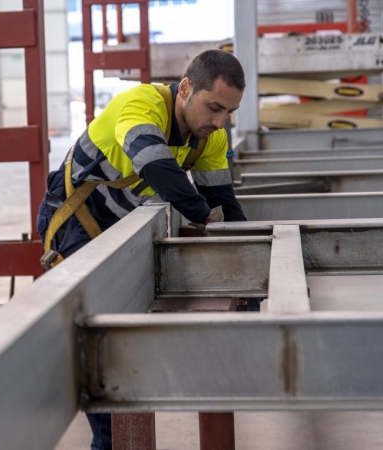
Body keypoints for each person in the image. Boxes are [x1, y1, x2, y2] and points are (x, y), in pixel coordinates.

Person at [36, 49, 247, 450]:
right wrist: (205, 218)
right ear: (185, 88)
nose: (220, 123)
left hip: (123, 235)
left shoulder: (211, 138)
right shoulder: (140, 104)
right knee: (99, 355)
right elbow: (156, 166)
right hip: (76, 229)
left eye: (228, 113)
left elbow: (225, 204)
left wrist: (253, 260)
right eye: (214, 107)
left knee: (120, 353)